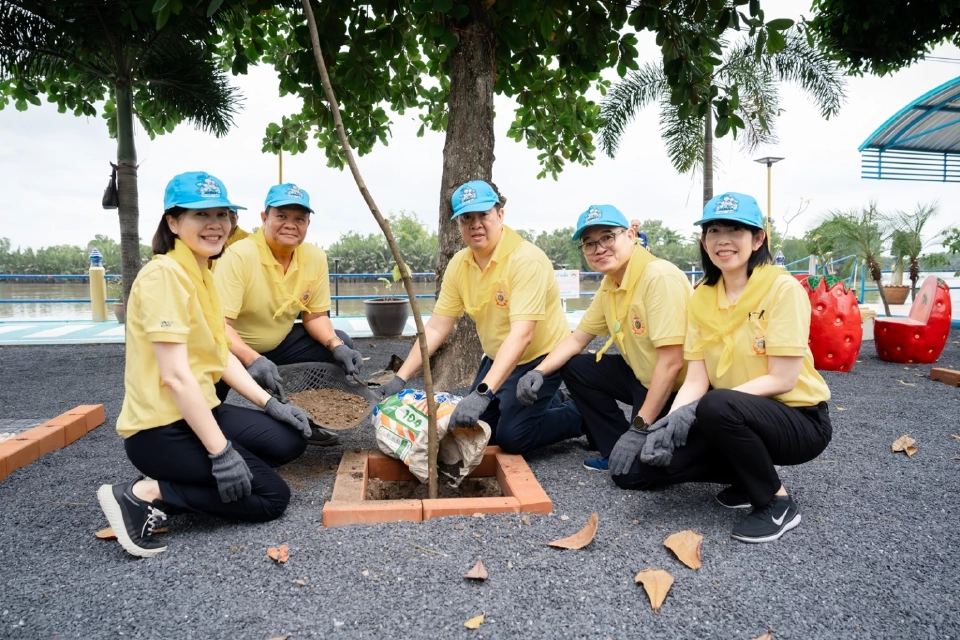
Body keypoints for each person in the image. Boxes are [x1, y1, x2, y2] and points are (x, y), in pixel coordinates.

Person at [97, 172, 314, 558]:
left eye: (222, 214)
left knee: (289, 437)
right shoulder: (164, 276)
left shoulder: (203, 273)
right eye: (200, 215)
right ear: (173, 222)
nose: (215, 224)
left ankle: (183, 478)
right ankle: (144, 492)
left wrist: (271, 403)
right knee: (271, 497)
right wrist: (221, 453)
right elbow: (177, 378)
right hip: (160, 430)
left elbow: (220, 356)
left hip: (199, 412)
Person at [608, 192, 832, 544]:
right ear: (703, 240)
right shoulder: (703, 296)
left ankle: (777, 502)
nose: (722, 240)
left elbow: (784, 378)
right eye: (713, 231)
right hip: (732, 412)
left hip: (799, 420)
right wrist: (665, 425)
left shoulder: (781, 289)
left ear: (758, 239)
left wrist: (696, 410)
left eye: (735, 230)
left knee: (716, 404)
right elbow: (697, 378)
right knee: (643, 467)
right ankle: (746, 476)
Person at [377, 180, 581, 454]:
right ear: (458, 225)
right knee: (476, 431)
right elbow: (437, 327)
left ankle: (579, 415)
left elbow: (522, 335)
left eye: (483, 214)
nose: (475, 224)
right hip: (498, 357)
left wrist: (483, 393)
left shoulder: (526, 260)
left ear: (500, 215)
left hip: (539, 358)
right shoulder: (459, 264)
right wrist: (400, 378)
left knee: (512, 439)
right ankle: (549, 401)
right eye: (466, 218)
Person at [514, 205, 690, 471]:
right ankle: (614, 446)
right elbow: (576, 341)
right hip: (641, 376)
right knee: (575, 366)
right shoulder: (609, 285)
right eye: (589, 244)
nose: (599, 248)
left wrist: (639, 428)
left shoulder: (658, 277)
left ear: (630, 236)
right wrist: (538, 372)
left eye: (608, 237)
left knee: (634, 475)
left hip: (679, 389)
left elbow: (672, 363)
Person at [213, 183, 362, 413]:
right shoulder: (238, 255)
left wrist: (337, 346)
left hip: (276, 346)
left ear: (307, 224)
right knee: (204, 413)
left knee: (340, 342)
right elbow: (218, 326)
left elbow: (315, 317)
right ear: (264, 218)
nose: (290, 225)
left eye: (299, 219)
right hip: (227, 349)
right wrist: (252, 359)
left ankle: (308, 413)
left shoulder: (315, 257)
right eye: (281, 216)